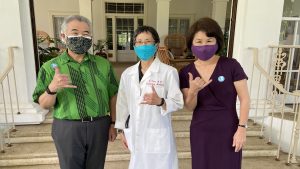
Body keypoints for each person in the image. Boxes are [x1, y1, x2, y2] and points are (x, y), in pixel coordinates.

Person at [32, 15, 118, 169]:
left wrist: (112, 123)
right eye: (75, 32)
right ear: (63, 36)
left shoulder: (103, 65)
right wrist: (52, 88)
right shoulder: (50, 67)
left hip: (99, 126)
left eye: (86, 33)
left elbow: (113, 95)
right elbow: (44, 104)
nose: (81, 37)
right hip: (67, 128)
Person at [179, 17, 250, 169]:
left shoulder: (231, 65)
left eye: (209, 40)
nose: (204, 45)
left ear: (217, 41)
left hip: (228, 128)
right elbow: (190, 107)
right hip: (201, 130)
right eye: (198, 41)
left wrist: (242, 128)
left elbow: (245, 99)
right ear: (191, 43)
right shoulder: (186, 72)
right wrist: (193, 91)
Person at [115, 26, 184, 169]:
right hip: (135, 131)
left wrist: (160, 101)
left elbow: (178, 102)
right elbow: (122, 103)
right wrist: (121, 130)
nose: (143, 45)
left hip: (158, 134)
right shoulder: (127, 74)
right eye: (139, 42)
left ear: (156, 45)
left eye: (147, 41)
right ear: (134, 46)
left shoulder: (168, 72)